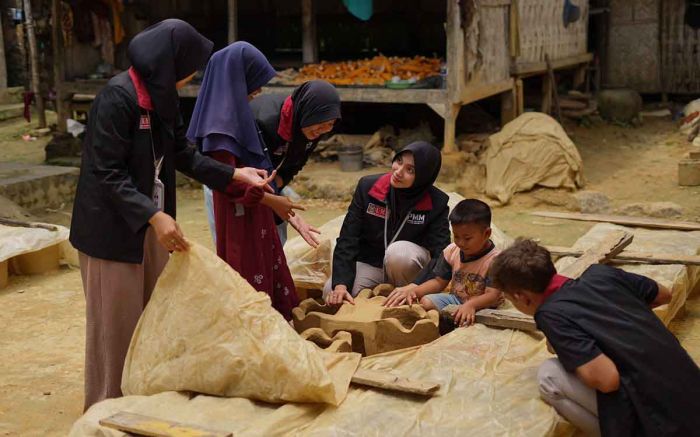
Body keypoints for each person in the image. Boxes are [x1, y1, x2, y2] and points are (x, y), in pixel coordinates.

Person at [70, 20, 273, 411]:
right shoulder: (116, 99)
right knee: (115, 328)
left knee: (153, 317)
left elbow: (184, 154)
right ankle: (107, 410)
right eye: (190, 66)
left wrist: (234, 174)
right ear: (170, 63)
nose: (193, 75)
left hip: (149, 222)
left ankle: (143, 404)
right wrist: (153, 215)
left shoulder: (162, 98)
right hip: (111, 231)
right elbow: (106, 174)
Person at [488, 239, 700, 437]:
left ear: (521, 297)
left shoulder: (551, 313)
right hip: (689, 389)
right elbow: (664, 294)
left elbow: (607, 380)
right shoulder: (602, 275)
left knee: (549, 375)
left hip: (665, 423)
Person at [187, 41, 302, 320]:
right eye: (254, 81)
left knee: (265, 265)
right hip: (240, 213)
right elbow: (228, 182)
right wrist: (271, 199)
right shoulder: (221, 126)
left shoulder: (237, 115)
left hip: (255, 208)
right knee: (248, 274)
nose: (259, 91)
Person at [203, 79, 341, 248]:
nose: (324, 130)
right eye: (321, 124)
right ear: (309, 113)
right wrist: (281, 206)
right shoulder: (264, 122)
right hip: (229, 180)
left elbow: (294, 165)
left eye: (330, 124)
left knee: (272, 243)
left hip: (266, 185)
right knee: (236, 244)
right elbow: (245, 178)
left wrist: (277, 191)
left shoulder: (309, 126)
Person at [324, 141, 450, 305]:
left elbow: (442, 254)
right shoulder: (368, 187)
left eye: (410, 170)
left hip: (408, 268)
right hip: (372, 263)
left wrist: (416, 286)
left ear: (424, 176)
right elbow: (348, 238)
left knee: (398, 252)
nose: (398, 172)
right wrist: (341, 285)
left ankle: (408, 299)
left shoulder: (436, 202)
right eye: (398, 162)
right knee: (332, 292)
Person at [383, 199, 502, 326]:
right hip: (457, 299)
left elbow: (492, 295)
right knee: (425, 302)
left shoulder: (496, 260)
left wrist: (470, 305)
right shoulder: (451, 251)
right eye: (456, 236)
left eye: (467, 238)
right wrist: (414, 291)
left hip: (483, 305)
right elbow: (439, 282)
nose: (460, 243)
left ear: (487, 233)